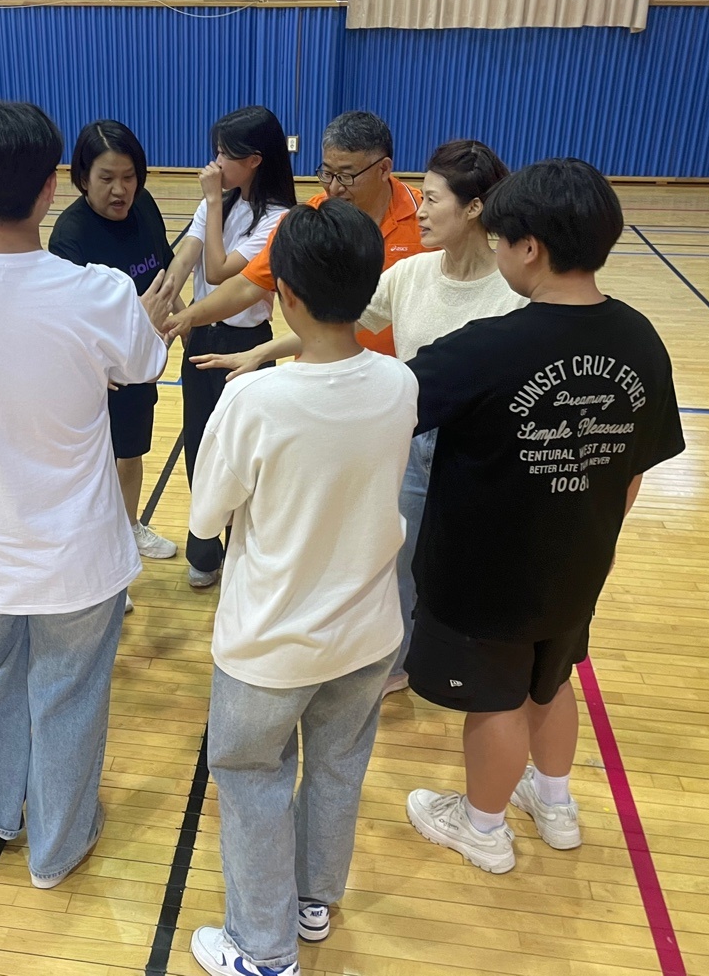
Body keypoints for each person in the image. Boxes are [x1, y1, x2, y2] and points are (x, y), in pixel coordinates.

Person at [0, 99, 172, 888]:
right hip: (77, 552)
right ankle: (56, 846)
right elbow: (144, 364)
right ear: (53, 186)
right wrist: (143, 320)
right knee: (68, 695)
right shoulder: (98, 293)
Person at [401, 159, 685, 874]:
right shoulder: (641, 338)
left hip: (486, 572)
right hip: (579, 563)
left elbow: (388, 402)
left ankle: (483, 825)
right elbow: (635, 467)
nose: (498, 252)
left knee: (496, 699)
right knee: (553, 679)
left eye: (501, 240)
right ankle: (554, 803)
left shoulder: (490, 346)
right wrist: (595, 541)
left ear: (530, 247)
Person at [194, 140, 526, 698]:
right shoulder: (412, 274)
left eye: (433, 200)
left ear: (474, 208)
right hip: (414, 441)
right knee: (398, 560)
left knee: (462, 565)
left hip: (480, 455)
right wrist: (264, 350)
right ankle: (396, 663)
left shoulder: (513, 294)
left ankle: (459, 659)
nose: (420, 210)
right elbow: (337, 323)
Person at [186, 199, 417, 976]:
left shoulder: (256, 398)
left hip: (271, 640)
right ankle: (312, 898)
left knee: (252, 774)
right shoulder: (399, 383)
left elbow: (207, 515)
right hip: (368, 632)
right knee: (336, 767)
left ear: (282, 293)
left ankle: (262, 947)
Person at [158, 106, 298, 589]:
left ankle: (243, 548)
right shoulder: (218, 200)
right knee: (200, 445)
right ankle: (204, 551)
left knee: (243, 452)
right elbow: (189, 257)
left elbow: (219, 272)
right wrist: (164, 299)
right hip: (203, 335)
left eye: (224, 154)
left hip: (248, 342)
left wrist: (214, 202)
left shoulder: (278, 218)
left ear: (255, 160)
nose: (215, 163)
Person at [159, 110, 431, 358]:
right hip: (319, 369)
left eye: (346, 176)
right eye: (327, 173)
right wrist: (187, 317)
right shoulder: (309, 219)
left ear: (384, 168)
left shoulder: (426, 219)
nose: (334, 188)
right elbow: (248, 285)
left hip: (395, 372)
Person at [48, 120, 180, 575]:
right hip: (98, 376)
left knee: (130, 454)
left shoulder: (145, 206)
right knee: (93, 468)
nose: (121, 190)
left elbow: (162, 272)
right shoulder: (70, 236)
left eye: (129, 177)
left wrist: (184, 319)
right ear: (83, 178)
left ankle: (128, 529)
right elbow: (64, 323)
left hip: (139, 365)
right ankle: (100, 561)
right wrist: (95, 368)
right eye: (107, 178)